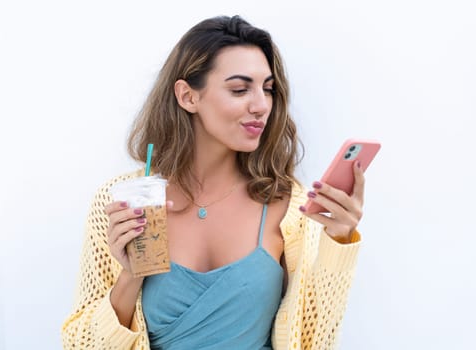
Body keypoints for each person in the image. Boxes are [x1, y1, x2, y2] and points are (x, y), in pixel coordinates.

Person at [62, 15, 364, 349]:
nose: (261, 105)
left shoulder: (287, 205)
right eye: (239, 89)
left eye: (268, 89)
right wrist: (131, 276)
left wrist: (337, 243)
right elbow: (80, 345)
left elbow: (314, 341)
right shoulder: (123, 202)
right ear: (188, 97)